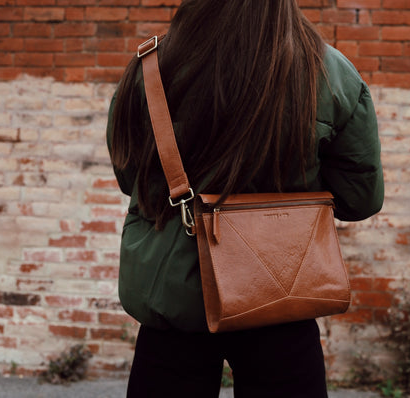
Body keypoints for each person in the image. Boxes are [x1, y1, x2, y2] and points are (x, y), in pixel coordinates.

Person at [106, 1, 383, 397]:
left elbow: (130, 178)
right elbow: (360, 199)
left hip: (174, 299)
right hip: (281, 295)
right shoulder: (330, 71)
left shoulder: (150, 66)